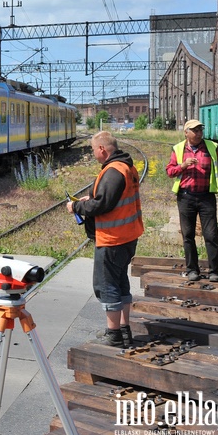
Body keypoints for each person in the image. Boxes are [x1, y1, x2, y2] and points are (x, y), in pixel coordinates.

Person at [67, 131, 144, 348]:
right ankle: (123, 329)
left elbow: (103, 205)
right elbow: (108, 198)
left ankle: (113, 334)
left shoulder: (113, 171)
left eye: (93, 149)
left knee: (106, 285)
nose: (93, 154)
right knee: (120, 282)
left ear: (102, 149)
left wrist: (76, 206)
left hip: (113, 238)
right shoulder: (125, 166)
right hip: (127, 235)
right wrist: (91, 197)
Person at [166, 119, 218, 282]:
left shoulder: (211, 147)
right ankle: (192, 269)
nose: (199, 133)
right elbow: (170, 171)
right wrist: (183, 165)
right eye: (195, 130)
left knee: (211, 235)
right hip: (186, 197)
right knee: (188, 234)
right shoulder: (178, 149)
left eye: (200, 130)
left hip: (206, 197)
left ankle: (214, 271)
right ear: (186, 133)